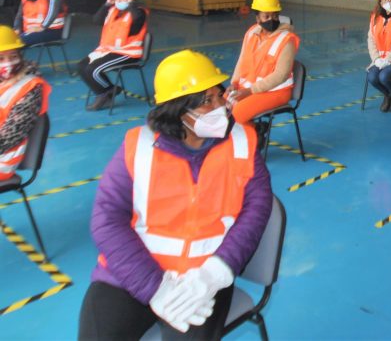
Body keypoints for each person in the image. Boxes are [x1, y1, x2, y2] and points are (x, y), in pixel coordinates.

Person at [78, 50, 272, 340]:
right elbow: (107, 220)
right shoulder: (138, 147)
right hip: (131, 273)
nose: (223, 106)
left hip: (204, 279)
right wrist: (156, 287)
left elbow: (257, 209)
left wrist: (216, 273)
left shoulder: (242, 142)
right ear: (179, 111)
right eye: (208, 101)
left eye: (219, 94)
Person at [226, 0, 299, 125]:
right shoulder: (251, 34)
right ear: (258, 18)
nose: (272, 20)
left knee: (235, 115)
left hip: (276, 91)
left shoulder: (286, 40)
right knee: (221, 107)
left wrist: (250, 91)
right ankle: (254, 132)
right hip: (250, 89)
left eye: (275, 16)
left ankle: (253, 140)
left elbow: (281, 75)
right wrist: (234, 83)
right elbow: (242, 60)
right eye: (267, 16)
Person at [78, 0, 149, 111]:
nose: (119, 0)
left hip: (127, 53)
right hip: (107, 50)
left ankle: (103, 94)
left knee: (93, 69)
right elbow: (96, 20)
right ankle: (110, 90)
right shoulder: (112, 11)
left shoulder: (139, 12)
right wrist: (106, 4)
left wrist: (131, 4)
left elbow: (137, 22)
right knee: (81, 67)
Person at [0, 26, 50, 181]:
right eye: (1, 58)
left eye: (13, 56)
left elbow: (10, 136)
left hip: (3, 159)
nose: (8, 63)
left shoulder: (30, 87)